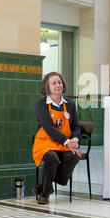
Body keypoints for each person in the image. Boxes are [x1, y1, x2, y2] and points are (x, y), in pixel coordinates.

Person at [32, 72, 82, 204]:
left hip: (65, 143)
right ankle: (45, 194)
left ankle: (43, 186)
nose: (57, 85)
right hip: (46, 141)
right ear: (47, 87)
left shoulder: (70, 104)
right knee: (51, 158)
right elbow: (48, 127)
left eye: (59, 82)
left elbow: (76, 126)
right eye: (54, 83)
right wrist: (67, 141)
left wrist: (75, 140)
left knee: (74, 156)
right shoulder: (41, 104)